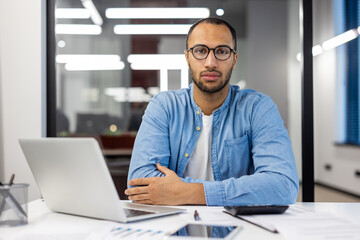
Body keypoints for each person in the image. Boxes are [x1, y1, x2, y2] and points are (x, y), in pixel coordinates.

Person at [125, 18, 299, 206]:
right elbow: (140, 183)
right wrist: (238, 191)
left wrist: (191, 192)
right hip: (176, 232)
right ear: (187, 58)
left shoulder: (257, 108)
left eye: (222, 51)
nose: (210, 62)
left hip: (236, 232)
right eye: (200, 51)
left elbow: (283, 185)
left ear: (234, 59)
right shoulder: (164, 106)